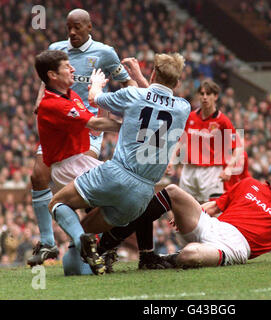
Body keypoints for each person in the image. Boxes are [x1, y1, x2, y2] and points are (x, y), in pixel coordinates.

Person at [94, 152, 271, 269]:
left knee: (190, 255)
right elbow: (213, 206)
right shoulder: (248, 184)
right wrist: (185, 213)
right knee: (172, 191)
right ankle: (140, 252)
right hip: (213, 225)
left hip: (236, 246)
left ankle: (161, 258)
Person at [48, 52, 191, 275]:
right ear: (178, 82)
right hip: (143, 193)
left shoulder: (133, 95)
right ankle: (91, 255)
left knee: (56, 204)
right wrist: (144, 79)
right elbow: (160, 100)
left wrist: (96, 83)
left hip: (117, 173)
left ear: (153, 73)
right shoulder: (183, 108)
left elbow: (96, 98)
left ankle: (81, 245)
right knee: (85, 234)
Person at [28, 8, 135, 267]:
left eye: (77, 27)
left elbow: (127, 82)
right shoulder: (57, 49)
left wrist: (134, 105)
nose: (72, 32)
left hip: (89, 126)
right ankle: (47, 242)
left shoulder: (105, 53)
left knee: (85, 186)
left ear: (89, 27)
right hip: (60, 120)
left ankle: (98, 245)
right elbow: (46, 79)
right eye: (69, 28)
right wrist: (39, 100)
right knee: (37, 176)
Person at [33, 49, 123, 274]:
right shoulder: (54, 105)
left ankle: (85, 246)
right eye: (67, 67)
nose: (73, 69)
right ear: (53, 75)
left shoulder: (70, 95)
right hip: (67, 166)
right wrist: (131, 127)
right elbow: (96, 125)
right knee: (120, 193)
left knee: (75, 269)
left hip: (80, 161)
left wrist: (98, 95)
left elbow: (96, 121)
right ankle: (102, 246)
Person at [168, 79, 243, 203]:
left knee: (211, 212)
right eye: (202, 94)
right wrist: (171, 160)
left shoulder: (223, 121)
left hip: (211, 172)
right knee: (184, 209)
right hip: (189, 171)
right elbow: (181, 141)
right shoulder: (191, 117)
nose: (205, 97)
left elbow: (238, 147)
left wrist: (229, 168)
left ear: (216, 96)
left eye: (208, 94)